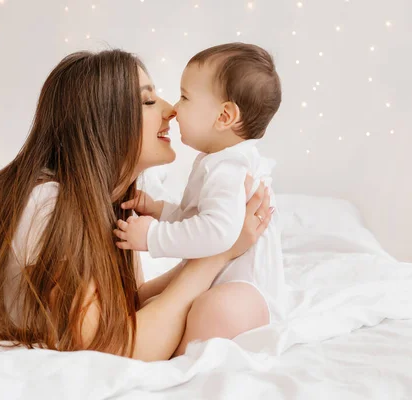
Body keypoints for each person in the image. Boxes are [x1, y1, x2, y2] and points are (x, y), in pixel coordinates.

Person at [0, 50, 273, 362]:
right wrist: (217, 255)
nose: (170, 109)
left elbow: (126, 309)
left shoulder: (110, 202)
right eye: (147, 100)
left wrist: (212, 256)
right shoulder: (47, 207)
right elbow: (123, 347)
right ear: (104, 124)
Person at [116, 43, 286, 355]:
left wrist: (153, 236)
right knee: (155, 302)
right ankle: (174, 353)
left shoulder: (229, 166)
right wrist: (160, 210)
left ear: (224, 116)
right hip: (220, 279)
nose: (175, 108)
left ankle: (180, 363)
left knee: (215, 311)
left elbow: (217, 233)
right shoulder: (216, 161)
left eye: (185, 96)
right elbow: (198, 219)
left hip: (247, 291)